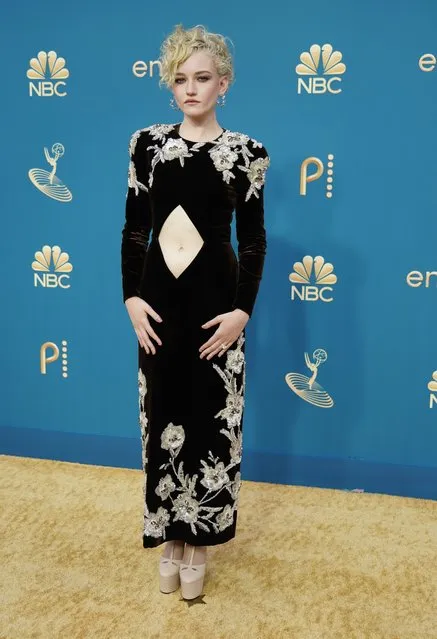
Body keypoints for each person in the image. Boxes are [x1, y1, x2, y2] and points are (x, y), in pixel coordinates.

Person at [121, 23, 270, 600]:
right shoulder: (147, 146)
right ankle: (168, 537)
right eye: (180, 79)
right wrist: (131, 297)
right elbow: (136, 229)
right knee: (161, 419)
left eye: (202, 78)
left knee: (211, 424)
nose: (190, 89)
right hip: (158, 305)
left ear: (223, 84)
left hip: (217, 309)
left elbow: (253, 241)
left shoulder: (247, 154)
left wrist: (243, 313)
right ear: (170, 85)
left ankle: (199, 542)